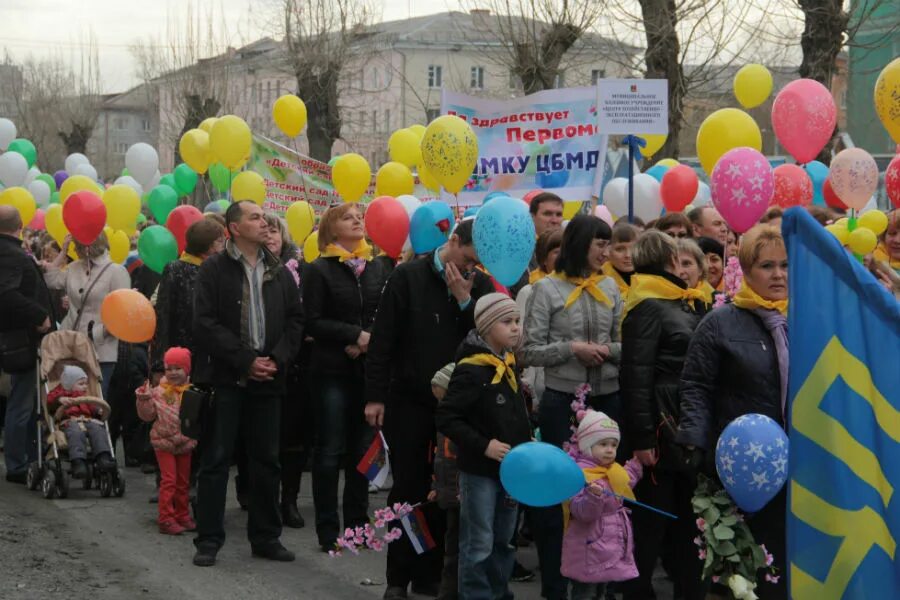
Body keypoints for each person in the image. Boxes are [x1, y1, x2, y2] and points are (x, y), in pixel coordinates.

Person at [365, 218, 494, 600]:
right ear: (453, 241)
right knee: (408, 488)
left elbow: (487, 340)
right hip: (410, 401)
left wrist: (465, 302)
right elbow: (383, 340)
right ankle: (397, 577)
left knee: (447, 492)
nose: (471, 267)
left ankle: (430, 572)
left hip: (458, 408)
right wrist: (375, 395)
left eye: (478, 262)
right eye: (468, 256)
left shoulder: (480, 283)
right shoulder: (408, 277)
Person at [677, 224, 789, 600]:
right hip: (741, 465)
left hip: (799, 462)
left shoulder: (808, 321)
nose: (778, 275)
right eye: (767, 265)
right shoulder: (720, 322)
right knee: (745, 566)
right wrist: (694, 441)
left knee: (786, 561)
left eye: (785, 266)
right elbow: (695, 386)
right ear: (747, 270)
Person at [191, 200, 304, 567]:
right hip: (227, 379)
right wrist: (244, 360)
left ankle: (266, 537)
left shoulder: (280, 272)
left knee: (266, 461)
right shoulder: (213, 270)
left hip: (269, 379)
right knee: (216, 460)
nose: (264, 222)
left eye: (264, 218)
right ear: (235, 228)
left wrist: (277, 359)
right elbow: (204, 323)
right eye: (255, 217)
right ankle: (208, 540)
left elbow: (295, 321)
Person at [520, 214, 623, 600]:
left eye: (609, 244)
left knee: (603, 496)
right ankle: (555, 584)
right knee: (557, 497)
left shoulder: (611, 288)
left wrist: (605, 352)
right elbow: (528, 350)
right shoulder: (546, 290)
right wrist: (572, 349)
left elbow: (624, 346)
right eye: (601, 244)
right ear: (581, 244)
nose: (607, 252)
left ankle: (598, 582)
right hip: (561, 402)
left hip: (607, 399)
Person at [619, 230, 706, 600]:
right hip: (660, 428)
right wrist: (641, 438)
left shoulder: (685, 303)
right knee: (651, 524)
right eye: (680, 260)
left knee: (690, 523)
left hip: (687, 424)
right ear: (671, 261)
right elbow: (635, 377)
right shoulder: (648, 306)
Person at [303, 202, 392, 551]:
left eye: (360, 217)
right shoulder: (318, 270)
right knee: (329, 451)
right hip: (331, 372)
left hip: (368, 372)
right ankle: (328, 531)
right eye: (348, 217)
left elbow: (385, 313)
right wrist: (353, 335)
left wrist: (368, 337)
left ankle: (358, 528)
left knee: (363, 450)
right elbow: (311, 321)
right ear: (331, 229)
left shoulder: (377, 266)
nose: (357, 220)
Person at [436, 293, 532, 600]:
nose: (516, 328)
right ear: (487, 326)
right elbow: (448, 417)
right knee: (479, 541)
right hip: (480, 470)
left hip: (511, 469)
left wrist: (526, 439)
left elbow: (513, 413)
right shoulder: (471, 368)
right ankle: (477, 594)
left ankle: (499, 591)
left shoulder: (508, 362)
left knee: (505, 539)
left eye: (517, 321)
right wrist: (484, 445)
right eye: (507, 322)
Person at [263, 213, 312, 529]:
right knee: (264, 437)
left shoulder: (302, 269)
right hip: (261, 361)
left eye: (275, 230)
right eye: (264, 230)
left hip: (296, 363)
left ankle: (289, 499)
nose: (269, 236)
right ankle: (260, 497)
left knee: (294, 437)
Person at [562, 411, 643, 600]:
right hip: (587, 550)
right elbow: (581, 512)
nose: (609, 450)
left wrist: (635, 467)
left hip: (608, 547)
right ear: (587, 446)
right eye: (603, 444)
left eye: (614, 445)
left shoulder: (613, 470)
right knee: (585, 593)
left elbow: (625, 481)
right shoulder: (579, 475)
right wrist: (592, 496)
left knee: (602, 591)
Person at [0, 205, 54, 483]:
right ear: (20, 226)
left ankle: (23, 458)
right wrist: (39, 314)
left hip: (14, 337)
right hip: (18, 339)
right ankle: (18, 464)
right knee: (21, 404)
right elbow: (6, 293)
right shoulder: (10, 254)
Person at [44, 233, 130, 396]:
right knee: (69, 402)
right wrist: (63, 252)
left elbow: (121, 314)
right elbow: (51, 280)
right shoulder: (74, 267)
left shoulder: (116, 271)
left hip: (100, 350)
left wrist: (98, 334)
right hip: (70, 345)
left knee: (95, 403)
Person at [135, 347, 198, 535]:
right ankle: (166, 518)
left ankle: (182, 514)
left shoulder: (192, 391)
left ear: (187, 369)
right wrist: (144, 399)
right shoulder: (157, 392)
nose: (172, 372)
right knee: (169, 481)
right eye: (169, 368)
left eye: (178, 368)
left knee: (183, 482)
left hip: (185, 442)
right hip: (164, 442)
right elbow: (147, 416)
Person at [152, 218, 225, 366]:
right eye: (220, 241)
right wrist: (159, 363)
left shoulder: (219, 270)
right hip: (179, 355)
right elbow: (164, 315)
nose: (224, 246)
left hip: (211, 356)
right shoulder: (175, 269)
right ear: (208, 246)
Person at [46, 365, 115, 477]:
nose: (85, 386)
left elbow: (92, 406)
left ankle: (103, 457)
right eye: (81, 384)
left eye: (86, 383)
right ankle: (78, 462)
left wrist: (98, 411)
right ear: (69, 384)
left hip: (88, 420)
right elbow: (50, 403)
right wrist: (59, 400)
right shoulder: (59, 394)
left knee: (98, 430)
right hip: (69, 421)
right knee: (75, 433)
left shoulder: (85, 396)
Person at [430, 363, 459, 600]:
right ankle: (448, 590)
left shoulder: (459, 428)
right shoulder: (442, 427)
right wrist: (435, 487)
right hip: (448, 495)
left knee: (459, 549)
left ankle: (451, 592)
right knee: (451, 547)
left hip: (461, 496)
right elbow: (440, 463)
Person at [601, 223, 639, 299]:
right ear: (608, 251)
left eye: (633, 248)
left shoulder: (653, 278)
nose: (628, 255)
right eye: (620, 249)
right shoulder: (599, 281)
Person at [676, 238, 714, 309]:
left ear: (700, 269)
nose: (680, 271)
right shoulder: (660, 303)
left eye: (686, 263)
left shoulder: (718, 300)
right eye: (675, 265)